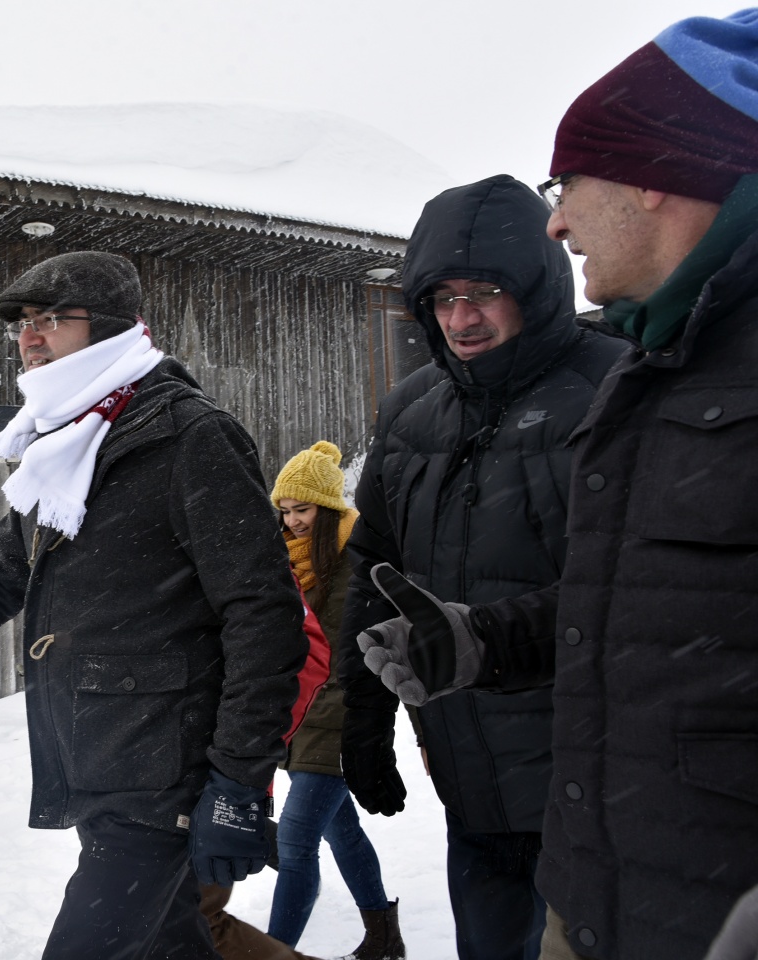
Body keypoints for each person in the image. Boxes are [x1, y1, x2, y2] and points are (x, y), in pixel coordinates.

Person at [353, 11, 758, 960]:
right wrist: (465, 647)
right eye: (440, 298)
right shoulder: (665, 365)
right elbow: (631, 603)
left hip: (662, 848)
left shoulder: (615, 374)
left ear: (653, 176)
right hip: (548, 817)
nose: (561, 220)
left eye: (569, 185)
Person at [0, 251, 311, 960]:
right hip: (100, 763)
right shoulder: (67, 444)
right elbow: (1, 574)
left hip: (164, 780)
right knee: (175, 948)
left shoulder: (191, 437)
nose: (30, 337)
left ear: (113, 329)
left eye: (53, 320)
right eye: (24, 325)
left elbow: (263, 613)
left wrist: (237, 781)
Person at [334, 175, 625, 960]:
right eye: (442, 298)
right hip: (472, 778)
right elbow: (372, 568)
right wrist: (362, 715)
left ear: (535, 287)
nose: (461, 319)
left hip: (603, 783)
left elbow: (646, 586)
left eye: (486, 293)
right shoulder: (411, 410)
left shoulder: (618, 387)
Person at [267, 442, 402, 960]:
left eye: (302, 509)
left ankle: (270, 953)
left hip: (339, 713)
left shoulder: (352, 563)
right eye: (285, 510)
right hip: (302, 713)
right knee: (341, 832)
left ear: (328, 508)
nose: (293, 521)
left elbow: (353, 655)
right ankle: (385, 940)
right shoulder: (290, 562)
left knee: (296, 842)